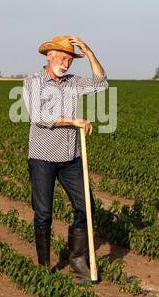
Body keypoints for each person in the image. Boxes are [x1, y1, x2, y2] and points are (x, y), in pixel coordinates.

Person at [22, 34, 107, 275]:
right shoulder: (33, 81)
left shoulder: (73, 82)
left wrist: (89, 53)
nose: (66, 63)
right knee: (44, 213)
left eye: (70, 59)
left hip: (71, 156)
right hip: (42, 156)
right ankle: (44, 266)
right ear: (49, 56)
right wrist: (74, 121)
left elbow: (101, 84)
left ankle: (77, 261)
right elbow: (38, 116)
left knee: (86, 207)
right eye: (62, 57)